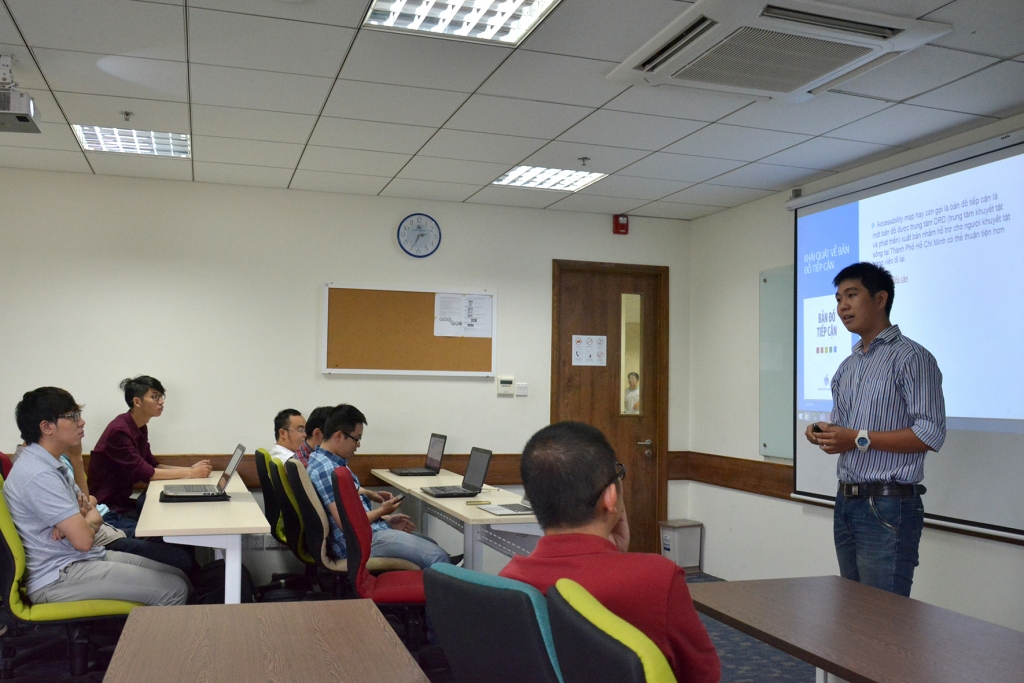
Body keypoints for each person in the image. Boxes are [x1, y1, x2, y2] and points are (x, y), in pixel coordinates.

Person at [500, 422, 720, 683]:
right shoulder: (657, 578)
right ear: (610, 497)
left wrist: (612, 552)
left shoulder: (509, 582)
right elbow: (702, 675)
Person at [804, 262, 945, 597]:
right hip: (846, 501)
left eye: (852, 295)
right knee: (853, 609)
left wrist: (857, 438)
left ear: (880, 299)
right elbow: (846, 431)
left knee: (884, 615)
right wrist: (823, 432)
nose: (842, 307)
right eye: (838, 299)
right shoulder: (847, 367)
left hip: (888, 505)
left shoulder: (912, 358)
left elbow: (930, 432)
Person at [5, 387, 188, 606]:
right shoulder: (38, 474)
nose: (81, 422)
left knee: (179, 573)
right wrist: (88, 519)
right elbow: (84, 539)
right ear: (46, 427)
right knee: (175, 590)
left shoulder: (51, 463)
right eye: (73, 416)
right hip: (58, 575)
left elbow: (88, 506)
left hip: (80, 558)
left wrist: (82, 519)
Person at [306, 404, 451, 569]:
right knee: (438, 557)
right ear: (339, 436)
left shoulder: (324, 461)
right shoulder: (328, 470)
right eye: (356, 438)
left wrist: (385, 521)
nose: (358, 445)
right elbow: (348, 523)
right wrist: (382, 511)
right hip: (358, 543)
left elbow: (350, 511)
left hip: (365, 534)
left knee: (430, 544)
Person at [87, 376, 212, 529]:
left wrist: (191, 470)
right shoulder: (119, 431)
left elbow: (152, 464)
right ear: (137, 402)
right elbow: (148, 473)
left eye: (161, 396)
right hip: (108, 510)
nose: (161, 401)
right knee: (166, 531)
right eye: (155, 397)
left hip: (123, 504)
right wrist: (191, 473)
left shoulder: (139, 426)